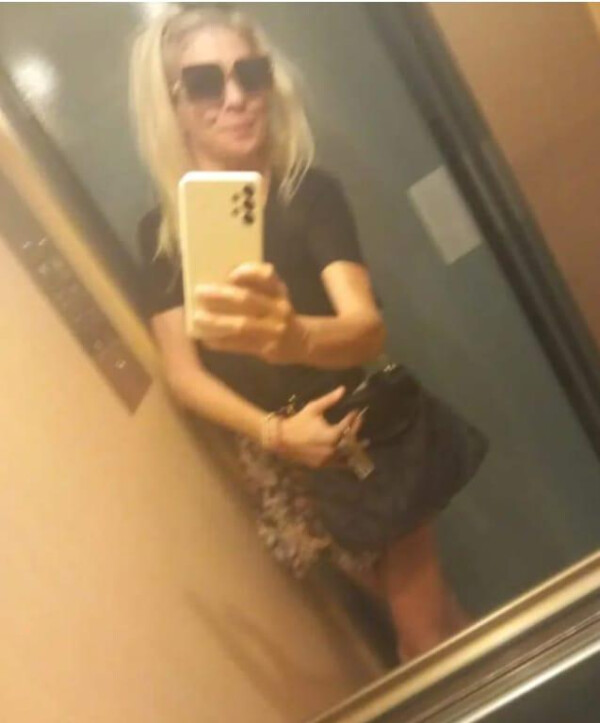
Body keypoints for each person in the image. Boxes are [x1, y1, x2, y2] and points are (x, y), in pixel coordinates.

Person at [130, 6, 478, 662]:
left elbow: (365, 330)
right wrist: (275, 434)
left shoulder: (309, 194)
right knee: (439, 618)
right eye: (204, 82)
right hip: (286, 463)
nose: (236, 96)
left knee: (423, 640)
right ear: (172, 104)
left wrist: (292, 338)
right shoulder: (162, 235)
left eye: (250, 73)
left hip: (361, 436)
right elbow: (183, 374)